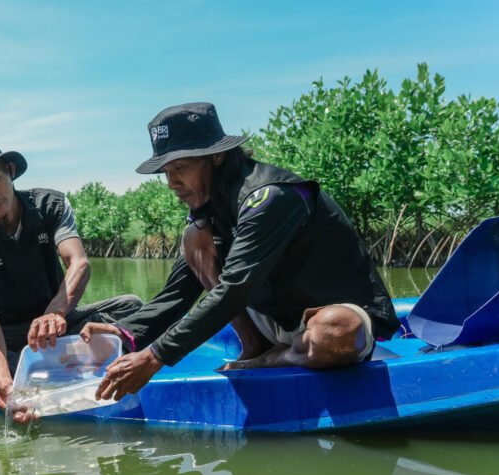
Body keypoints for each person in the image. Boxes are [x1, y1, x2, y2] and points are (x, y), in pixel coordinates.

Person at [81, 102, 401, 401]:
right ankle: (256, 348)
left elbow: (235, 288)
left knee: (337, 332)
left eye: (179, 167)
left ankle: (264, 362)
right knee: (194, 236)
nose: (171, 182)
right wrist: (126, 333)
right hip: (279, 322)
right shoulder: (208, 213)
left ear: (216, 157)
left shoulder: (270, 197)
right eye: (166, 171)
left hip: (332, 320)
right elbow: (177, 295)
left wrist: (154, 357)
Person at [0, 134, 142, 412]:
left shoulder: (51, 206)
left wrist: (55, 312)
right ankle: (38, 368)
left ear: (9, 171)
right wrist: (2, 380)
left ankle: (56, 356)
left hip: (59, 323)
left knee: (132, 306)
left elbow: (78, 263)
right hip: (8, 333)